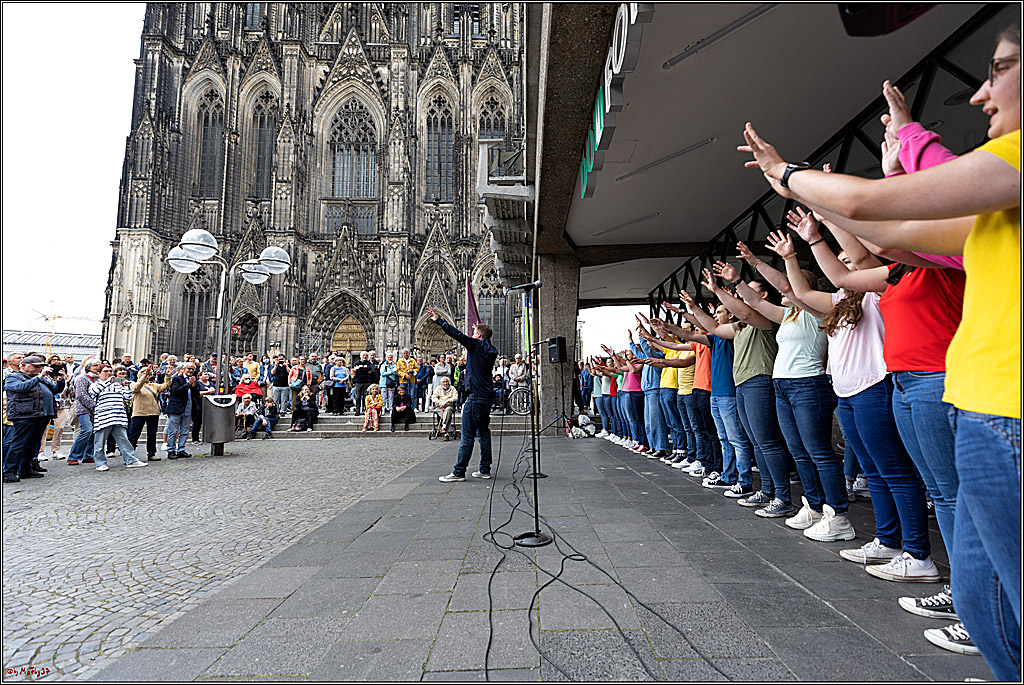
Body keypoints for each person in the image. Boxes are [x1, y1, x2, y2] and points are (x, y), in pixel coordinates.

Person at [741, 28, 1020, 676]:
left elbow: (874, 207)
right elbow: (890, 229)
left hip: (1000, 414)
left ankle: (905, 547)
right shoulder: (993, 212)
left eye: (1000, 68)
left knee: (997, 599)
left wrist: (794, 176)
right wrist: (833, 202)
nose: (981, 93)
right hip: (976, 411)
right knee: (987, 608)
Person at [430, 306, 499, 483]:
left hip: (475, 396)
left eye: (474, 331)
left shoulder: (475, 345)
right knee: (484, 433)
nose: (471, 333)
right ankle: (485, 469)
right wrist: (479, 330)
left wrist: (439, 320)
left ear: (478, 336)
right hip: (486, 397)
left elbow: (457, 335)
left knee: (467, 435)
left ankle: (459, 472)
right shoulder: (492, 351)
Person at [2, 356, 58, 482]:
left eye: (40, 366)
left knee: (32, 444)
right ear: (23, 366)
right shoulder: (13, 378)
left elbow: (54, 390)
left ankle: (25, 469)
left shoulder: (41, 378)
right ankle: (9, 472)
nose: (39, 369)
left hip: (41, 414)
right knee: (19, 444)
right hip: (24, 414)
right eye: (35, 366)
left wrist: (60, 379)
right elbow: (21, 388)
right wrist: (39, 377)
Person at [90, 365, 146, 470]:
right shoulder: (95, 384)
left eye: (110, 371)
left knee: (124, 440)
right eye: (105, 371)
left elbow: (128, 397)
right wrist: (108, 382)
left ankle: (131, 460)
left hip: (119, 417)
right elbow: (94, 392)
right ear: (99, 373)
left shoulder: (118, 385)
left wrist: (126, 386)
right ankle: (100, 463)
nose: (108, 373)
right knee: (99, 442)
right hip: (103, 417)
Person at [129, 361, 171, 461]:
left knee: (152, 434)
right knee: (134, 434)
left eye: (148, 374)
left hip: (153, 413)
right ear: (139, 375)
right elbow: (136, 388)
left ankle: (151, 453)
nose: (147, 375)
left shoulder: (153, 385)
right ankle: (129, 453)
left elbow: (165, 386)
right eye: (143, 373)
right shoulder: (133, 384)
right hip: (139, 413)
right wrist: (143, 377)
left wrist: (168, 376)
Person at [67, 357, 101, 466]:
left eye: (98, 365)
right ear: (88, 367)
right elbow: (81, 395)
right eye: (95, 365)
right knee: (87, 430)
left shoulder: (99, 379)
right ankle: (73, 456)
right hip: (84, 409)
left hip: (97, 410)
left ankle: (88, 455)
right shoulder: (82, 378)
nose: (97, 367)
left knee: (93, 432)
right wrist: (93, 405)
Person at [165, 361, 198, 460]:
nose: (191, 371)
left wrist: (193, 387)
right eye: (189, 369)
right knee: (173, 431)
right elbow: (176, 391)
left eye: (193, 369)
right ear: (183, 369)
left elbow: (195, 394)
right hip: (176, 409)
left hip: (188, 409)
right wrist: (188, 384)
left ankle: (181, 450)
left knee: (184, 431)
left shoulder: (193, 380)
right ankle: (171, 450)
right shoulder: (176, 379)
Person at [192, 370, 216, 443]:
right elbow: (196, 393)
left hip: (209, 406)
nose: (207, 376)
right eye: (205, 374)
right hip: (198, 405)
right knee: (197, 422)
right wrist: (208, 392)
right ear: (200, 376)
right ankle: (195, 438)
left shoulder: (211, 383)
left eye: (207, 374)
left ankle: (208, 437)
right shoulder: (197, 384)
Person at [432, 376, 458, 441]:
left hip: (449, 406)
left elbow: (456, 397)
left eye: (447, 382)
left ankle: (444, 427)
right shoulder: (438, 388)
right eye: (444, 382)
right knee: (447, 415)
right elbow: (433, 397)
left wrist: (447, 401)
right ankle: (446, 433)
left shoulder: (452, 388)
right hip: (439, 407)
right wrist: (440, 403)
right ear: (441, 383)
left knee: (448, 410)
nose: (445, 383)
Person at [351, 352, 374, 416]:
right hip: (358, 382)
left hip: (366, 382)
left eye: (366, 355)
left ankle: (365, 409)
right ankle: (357, 410)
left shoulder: (368, 363)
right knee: (358, 397)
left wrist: (360, 368)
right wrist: (364, 370)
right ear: (360, 356)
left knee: (366, 396)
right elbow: (357, 371)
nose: (365, 356)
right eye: (363, 355)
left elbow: (369, 369)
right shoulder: (357, 363)